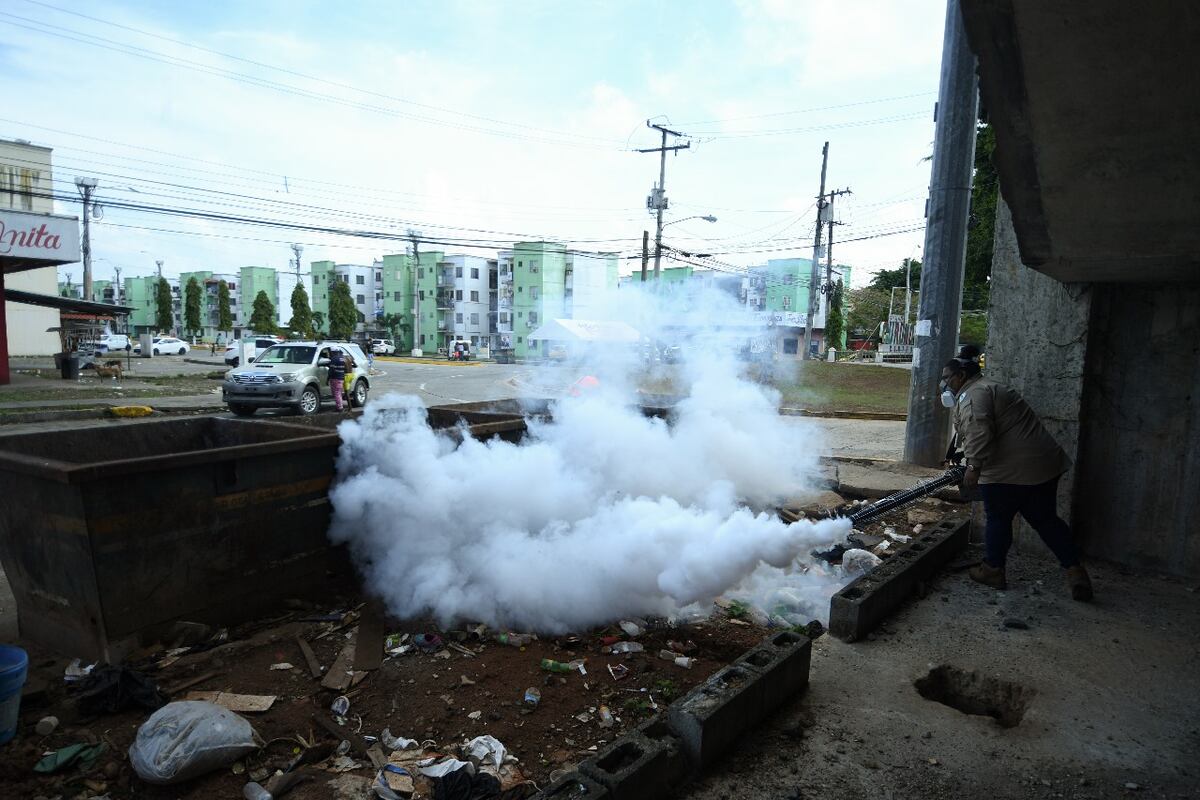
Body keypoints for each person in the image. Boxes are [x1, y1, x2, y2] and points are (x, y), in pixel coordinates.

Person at [941, 353, 1093, 600]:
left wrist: (974, 467)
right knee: (1045, 520)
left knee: (998, 519)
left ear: (961, 375)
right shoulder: (989, 387)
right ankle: (1075, 570)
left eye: (947, 378)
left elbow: (979, 430)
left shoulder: (974, 394)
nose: (944, 384)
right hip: (1042, 467)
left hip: (1007, 471)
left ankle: (993, 570)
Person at [328, 346, 349, 412]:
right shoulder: (342, 358)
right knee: (339, 392)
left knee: (337, 393)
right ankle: (340, 406)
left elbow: (331, 370)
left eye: (331, 352)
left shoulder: (334, 359)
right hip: (341, 377)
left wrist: (328, 378)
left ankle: (340, 408)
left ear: (333, 352)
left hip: (335, 378)